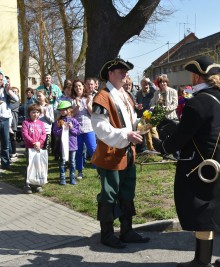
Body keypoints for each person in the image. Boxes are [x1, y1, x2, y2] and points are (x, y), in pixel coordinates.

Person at [152, 56, 220, 266]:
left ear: (195, 77)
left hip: (207, 165)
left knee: (204, 208)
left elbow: (181, 137)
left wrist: (160, 146)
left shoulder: (197, 103)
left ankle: (202, 261)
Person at [91, 57, 150, 249]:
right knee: (109, 194)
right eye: (120, 71)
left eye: (126, 72)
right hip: (110, 154)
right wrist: (126, 134)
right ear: (110, 74)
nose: (125, 74)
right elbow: (101, 128)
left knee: (127, 192)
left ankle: (127, 230)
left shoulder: (126, 95)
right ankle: (106, 234)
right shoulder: (102, 96)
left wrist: (142, 126)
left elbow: (129, 121)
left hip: (128, 152)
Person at [0, 72, 19, 173]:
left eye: (1, 80)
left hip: (6, 119)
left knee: (5, 143)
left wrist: (9, 91)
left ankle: (5, 163)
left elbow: (17, 99)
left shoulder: (7, 90)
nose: (0, 82)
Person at [72, 79, 97, 179]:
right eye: (76, 86)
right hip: (77, 129)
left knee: (92, 149)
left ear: (83, 87)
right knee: (79, 151)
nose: (78, 88)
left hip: (89, 128)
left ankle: (99, 169)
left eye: (79, 86)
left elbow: (92, 114)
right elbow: (71, 114)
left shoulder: (89, 97)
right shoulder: (72, 99)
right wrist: (77, 106)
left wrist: (88, 104)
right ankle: (80, 171)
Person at [53, 101, 80, 185]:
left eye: (64, 110)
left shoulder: (74, 121)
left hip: (72, 145)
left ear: (69, 110)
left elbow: (78, 132)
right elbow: (55, 132)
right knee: (62, 162)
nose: (62, 112)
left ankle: (72, 178)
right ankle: (62, 178)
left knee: (72, 162)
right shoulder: (58, 121)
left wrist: (71, 128)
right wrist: (62, 128)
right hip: (63, 146)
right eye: (60, 110)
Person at [21, 103, 47, 194]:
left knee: (38, 166)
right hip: (30, 148)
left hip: (39, 148)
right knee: (29, 166)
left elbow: (44, 134)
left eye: (36, 112)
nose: (35, 114)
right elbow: (25, 134)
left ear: (39, 113)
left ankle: (37, 184)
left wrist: (39, 142)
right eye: (33, 112)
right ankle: (27, 185)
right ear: (29, 113)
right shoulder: (26, 122)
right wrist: (33, 142)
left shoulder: (41, 123)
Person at [135, 77, 158, 152]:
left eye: (147, 84)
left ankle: (158, 146)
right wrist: (138, 106)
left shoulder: (152, 92)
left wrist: (149, 81)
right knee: (146, 132)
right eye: (144, 84)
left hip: (151, 114)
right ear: (141, 85)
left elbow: (155, 89)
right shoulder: (138, 93)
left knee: (153, 131)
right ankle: (150, 149)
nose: (146, 86)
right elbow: (136, 102)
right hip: (143, 115)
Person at [9, 86, 20, 161]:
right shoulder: (8, 99)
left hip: (13, 120)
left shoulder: (17, 100)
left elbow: (11, 107)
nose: (14, 93)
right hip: (7, 120)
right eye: (12, 91)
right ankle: (9, 152)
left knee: (13, 136)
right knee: (7, 137)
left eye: (15, 91)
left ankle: (14, 152)